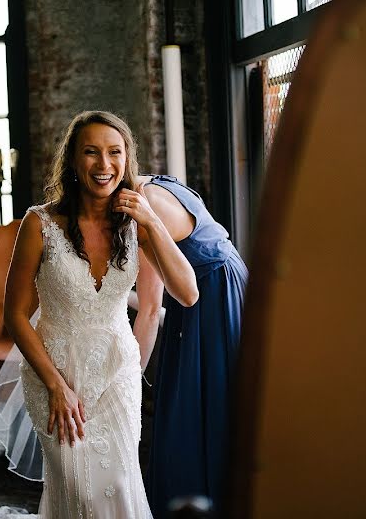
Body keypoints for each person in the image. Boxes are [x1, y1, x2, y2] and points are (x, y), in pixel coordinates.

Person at [0, 111, 198, 517]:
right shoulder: (39, 225)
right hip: (54, 376)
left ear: (127, 159)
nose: (104, 164)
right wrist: (56, 386)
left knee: (121, 486)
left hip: (117, 376)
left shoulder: (136, 225)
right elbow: (15, 315)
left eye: (114, 152)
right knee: (82, 492)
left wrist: (152, 221)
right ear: (73, 160)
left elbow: (188, 293)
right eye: (91, 152)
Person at [134, 174, 248, 519]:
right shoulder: (154, 184)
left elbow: (153, 308)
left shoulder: (141, 213)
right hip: (229, 282)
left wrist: (129, 381)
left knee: (202, 401)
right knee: (218, 399)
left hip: (209, 300)